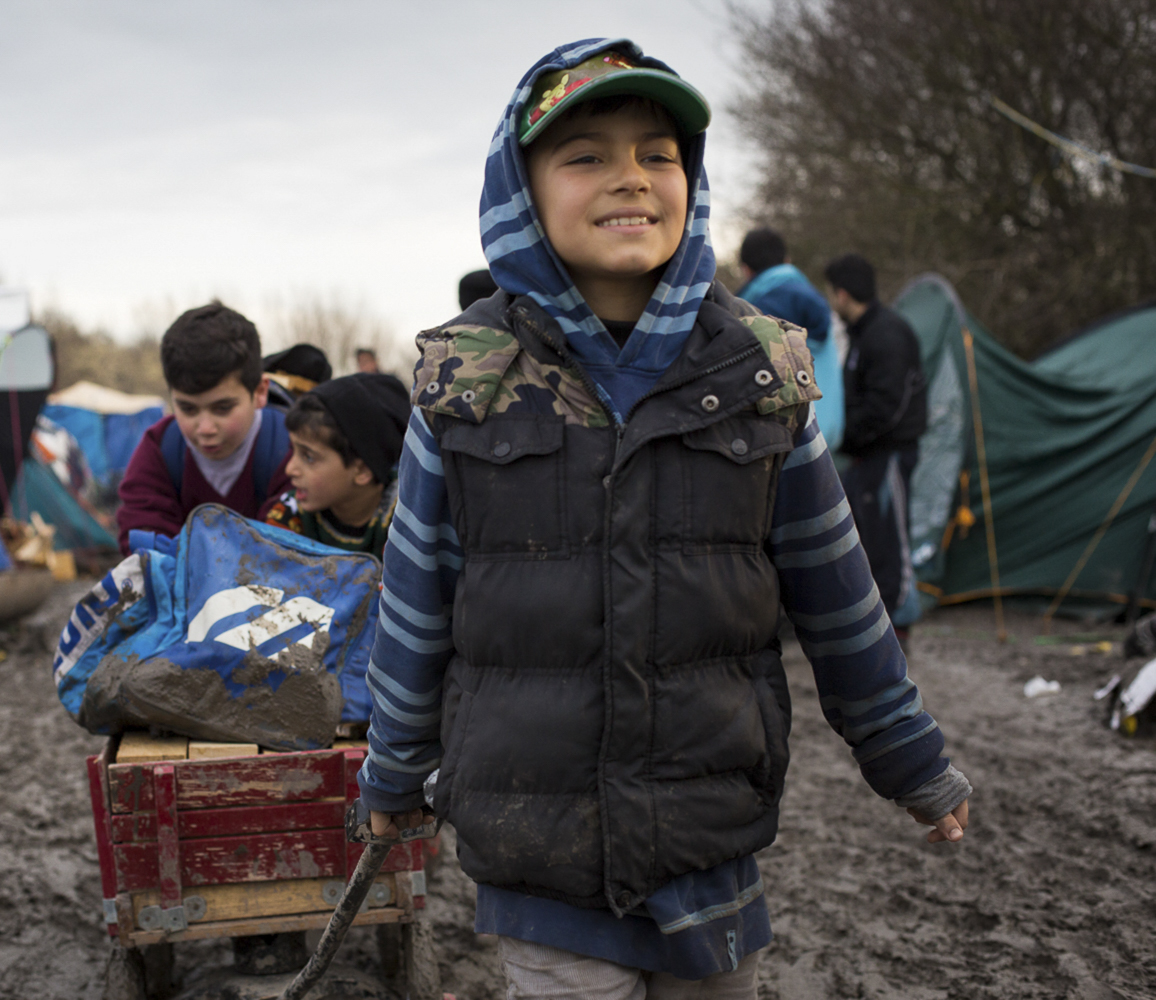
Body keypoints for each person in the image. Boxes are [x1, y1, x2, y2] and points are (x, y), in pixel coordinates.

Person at [357, 39, 971, 999]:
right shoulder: (467, 381)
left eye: (658, 153)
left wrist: (908, 756)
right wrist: (395, 771)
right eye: (586, 155)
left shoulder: (760, 372)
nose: (631, 178)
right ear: (520, 190)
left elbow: (839, 592)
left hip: (708, 834)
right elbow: (414, 600)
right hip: (539, 843)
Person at [115, 303, 291, 553]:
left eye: (223, 408)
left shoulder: (295, 451)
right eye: (188, 409)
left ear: (260, 391)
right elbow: (144, 552)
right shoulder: (158, 452)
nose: (205, 428)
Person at [824, 252, 929, 644]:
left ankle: (899, 623)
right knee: (866, 538)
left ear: (842, 293)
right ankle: (874, 623)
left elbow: (888, 405)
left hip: (889, 454)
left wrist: (850, 435)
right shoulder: (862, 335)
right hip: (864, 457)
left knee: (890, 539)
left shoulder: (887, 334)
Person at [264, 373, 410, 558]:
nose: (290, 469)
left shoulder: (407, 526)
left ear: (362, 471)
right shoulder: (290, 514)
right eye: (292, 450)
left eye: (308, 457)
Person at [736, 228, 845, 448]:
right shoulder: (817, 299)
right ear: (787, 260)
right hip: (826, 433)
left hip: (779, 442)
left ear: (746, 270)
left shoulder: (751, 312)